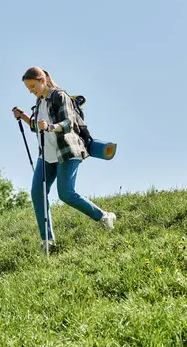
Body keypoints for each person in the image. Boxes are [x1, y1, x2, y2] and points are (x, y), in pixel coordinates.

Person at [12, 66, 116, 253]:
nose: (31, 90)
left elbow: (69, 123)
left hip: (67, 151)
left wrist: (51, 127)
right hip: (47, 155)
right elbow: (38, 128)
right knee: (37, 193)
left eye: (32, 86)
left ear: (42, 80)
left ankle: (104, 217)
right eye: (28, 88)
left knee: (66, 194)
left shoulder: (60, 96)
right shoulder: (40, 101)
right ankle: (47, 241)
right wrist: (25, 117)